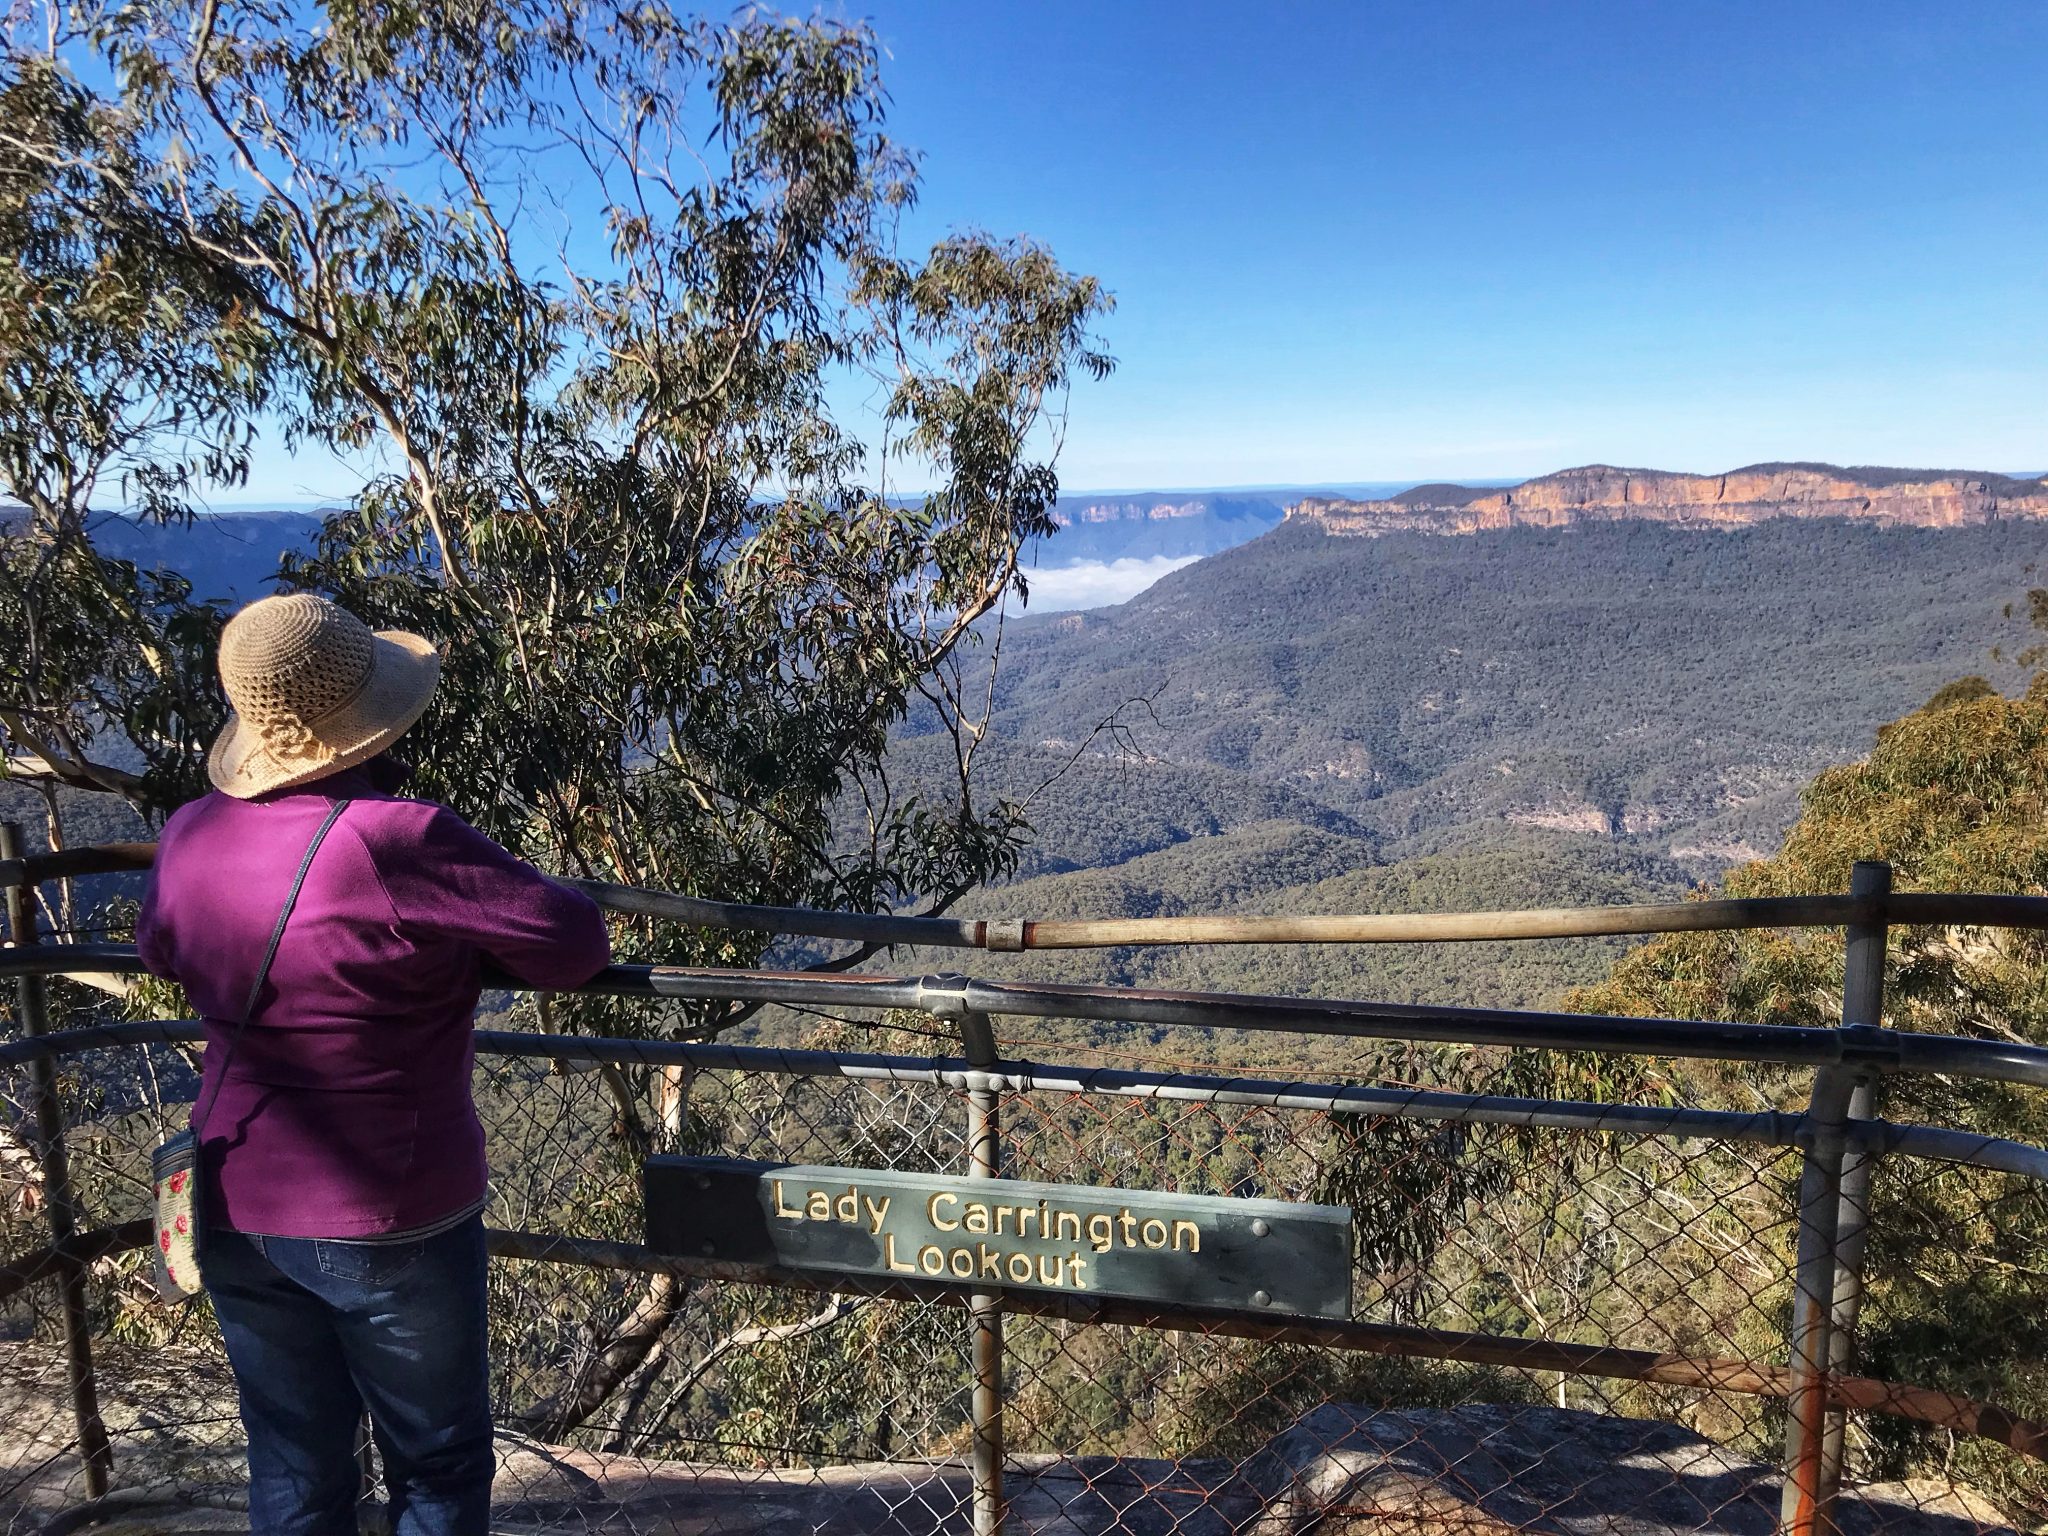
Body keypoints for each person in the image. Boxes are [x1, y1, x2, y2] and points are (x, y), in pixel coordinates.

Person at [136, 592, 612, 1536]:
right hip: (389, 1208)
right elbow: (574, 941)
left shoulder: (191, 831)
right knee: (434, 1467)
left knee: (294, 1464)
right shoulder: (397, 835)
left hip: (231, 1196)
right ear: (371, 716)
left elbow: (163, 950)